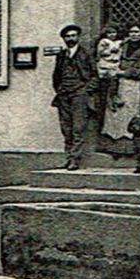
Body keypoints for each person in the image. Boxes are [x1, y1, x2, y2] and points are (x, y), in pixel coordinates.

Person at [51, 24, 100, 170]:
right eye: (67, 36)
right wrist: (59, 89)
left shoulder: (86, 54)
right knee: (66, 128)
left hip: (79, 94)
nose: (70, 39)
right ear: (63, 39)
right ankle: (68, 157)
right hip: (63, 95)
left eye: (73, 36)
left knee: (78, 128)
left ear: (78, 37)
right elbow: (56, 76)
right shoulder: (61, 55)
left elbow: (95, 76)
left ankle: (75, 159)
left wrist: (85, 90)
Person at [101, 23, 140, 153]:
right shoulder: (122, 46)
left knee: (130, 113)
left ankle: (130, 148)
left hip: (132, 85)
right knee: (114, 115)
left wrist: (121, 72)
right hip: (116, 84)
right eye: (131, 32)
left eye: (137, 32)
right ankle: (114, 147)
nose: (134, 35)